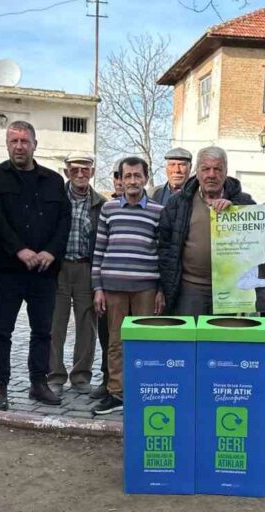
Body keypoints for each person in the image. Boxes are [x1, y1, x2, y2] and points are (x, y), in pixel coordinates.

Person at [0, 121, 71, 411]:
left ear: (35, 143)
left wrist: (50, 252)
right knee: (1, 330)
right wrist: (19, 249)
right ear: (7, 145)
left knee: (43, 331)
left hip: (44, 272)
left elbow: (63, 222)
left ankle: (38, 383)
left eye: (24, 141)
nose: (19, 146)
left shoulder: (54, 180)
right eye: (14, 141)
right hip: (8, 270)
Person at [91, 156, 164, 415]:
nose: (132, 180)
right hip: (113, 287)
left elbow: (162, 253)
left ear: (146, 177)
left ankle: (144, 389)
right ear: (120, 179)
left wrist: (160, 290)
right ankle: (116, 393)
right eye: (128, 176)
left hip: (146, 287)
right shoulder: (109, 209)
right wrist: (97, 287)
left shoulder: (157, 211)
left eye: (137, 175)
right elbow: (98, 250)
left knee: (146, 341)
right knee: (115, 342)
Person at [157, 146, 254, 316]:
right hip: (190, 289)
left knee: (222, 341)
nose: (211, 174)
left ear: (226, 172)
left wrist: (236, 212)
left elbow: (259, 241)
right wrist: (163, 287)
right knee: (189, 339)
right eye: (206, 169)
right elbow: (164, 247)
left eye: (217, 169)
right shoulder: (178, 203)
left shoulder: (243, 202)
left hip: (230, 289)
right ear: (197, 171)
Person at [49, 153, 104, 394]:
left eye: (85, 169)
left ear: (92, 171)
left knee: (86, 324)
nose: (80, 174)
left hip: (85, 267)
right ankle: (55, 374)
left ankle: (81, 376)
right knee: (55, 323)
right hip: (58, 267)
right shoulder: (54, 198)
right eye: (75, 170)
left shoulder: (100, 203)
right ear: (66, 172)